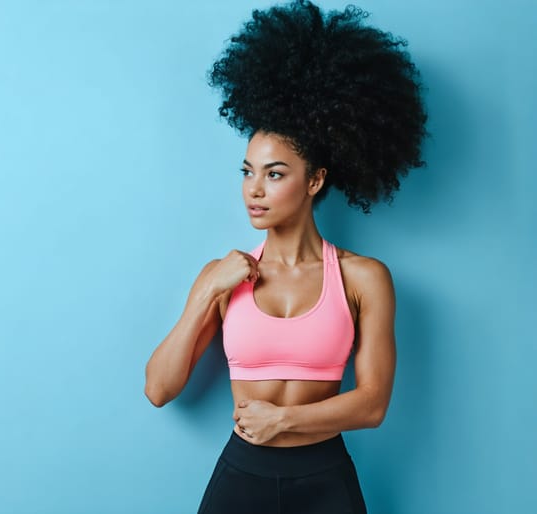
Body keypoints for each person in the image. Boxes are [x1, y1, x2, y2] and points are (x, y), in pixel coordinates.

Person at [143, 1, 428, 512]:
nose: (254, 189)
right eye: (247, 171)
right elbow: (159, 389)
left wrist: (284, 420)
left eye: (274, 174)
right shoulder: (223, 276)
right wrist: (208, 291)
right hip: (241, 477)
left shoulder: (363, 278)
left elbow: (373, 404)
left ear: (315, 180)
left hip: (326, 482)